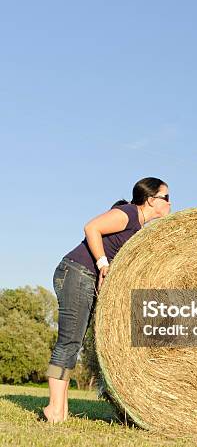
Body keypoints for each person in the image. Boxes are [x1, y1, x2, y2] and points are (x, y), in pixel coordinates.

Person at [42, 177, 171, 423]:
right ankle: (54, 408)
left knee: (73, 343)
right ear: (151, 200)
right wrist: (103, 264)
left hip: (83, 277)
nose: (170, 203)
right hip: (77, 272)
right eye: (166, 198)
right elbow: (91, 227)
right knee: (68, 343)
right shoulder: (128, 213)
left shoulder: (138, 229)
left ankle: (61, 409)